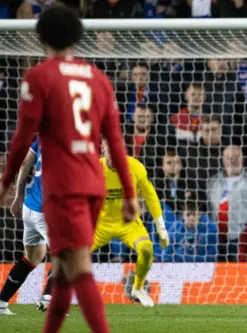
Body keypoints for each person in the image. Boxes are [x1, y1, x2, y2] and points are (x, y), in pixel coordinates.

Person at [0, 6, 139, 333]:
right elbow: (116, 143)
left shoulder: (39, 77)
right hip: (93, 187)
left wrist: (6, 182)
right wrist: (130, 193)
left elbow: (22, 139)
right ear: (79, 36)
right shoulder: (98, 78)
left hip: (62, 190)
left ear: (41, 37)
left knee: (78, 270)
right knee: (63, 270)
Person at [88, 138, 169, 307]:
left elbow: (150, 196)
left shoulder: (135, 167)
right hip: (100, 224)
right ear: (103, 150)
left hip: (128, 223)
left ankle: (138, 288)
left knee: (147, 249)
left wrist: (160, 226)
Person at [0, 138, 53, 315]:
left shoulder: (41, 139)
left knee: (33, 257)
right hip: (47, 211)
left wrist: (19, 195)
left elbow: (25, 164)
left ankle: (1, 303)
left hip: (30, 208)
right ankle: (48, 299)